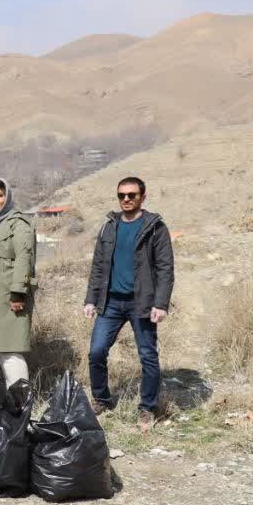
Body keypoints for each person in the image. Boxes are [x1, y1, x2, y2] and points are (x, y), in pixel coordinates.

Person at [84, 176, 174, 434]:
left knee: (147, 355)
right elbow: (99, 266)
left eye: (132, 195)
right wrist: (91, 298)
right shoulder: (109, 226)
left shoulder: (156, 228)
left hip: (142, 303)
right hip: (110, 302)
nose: (126, 199)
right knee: (96, 352)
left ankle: (148, 406)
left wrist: (161, 303)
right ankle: (101, 399)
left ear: (142, 197)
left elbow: (165, 269)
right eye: (122, 195)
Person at [0, 177, 36, 385]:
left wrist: (18, 292)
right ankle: (15, 401)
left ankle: (22, 403)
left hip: (10, 298)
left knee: (12, 352)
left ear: (8, 196)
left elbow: (24, 258)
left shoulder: (18, 223)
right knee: (3, 351)